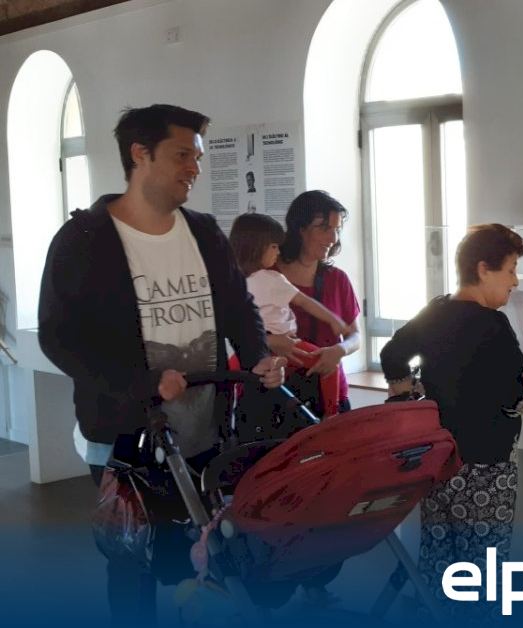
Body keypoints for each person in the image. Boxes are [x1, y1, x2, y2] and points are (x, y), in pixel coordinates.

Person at [38, 103, 285, 626]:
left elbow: (237, 308)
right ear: (140, 154)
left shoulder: (203, 232)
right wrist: (141, 383)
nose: (194, 167)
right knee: (134, 560)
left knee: (201, 550)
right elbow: (60, 338)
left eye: (197, 157)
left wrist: (259, 357)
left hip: (205, 430)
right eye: (181, 156)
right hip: (125, 436)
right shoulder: (84, 240)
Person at [379, 223, 523, 621]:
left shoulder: (436, 310)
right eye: (510, 270)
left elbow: (392, 354)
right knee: (484, 568)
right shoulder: (493, 325)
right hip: (486, 469)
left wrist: (405, 395)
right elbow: (509, 396)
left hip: (440, 462)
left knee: (439, 559)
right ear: (484, 269)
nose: (515, 281)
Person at [229, 213, 351, 418]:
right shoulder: (262, 279)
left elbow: (304, 301)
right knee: (328, 366)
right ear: (256, 246)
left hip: (270, 346)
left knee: (234, 378)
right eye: (273, 246)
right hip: (269, 345)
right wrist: (333, 319)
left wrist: (333, 319)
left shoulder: (246, 279)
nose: (278, 252)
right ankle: (331, 415)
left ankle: (330, 413)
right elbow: (304, 301)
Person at [271, 190, 361, 417]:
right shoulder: (268, 276)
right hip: (280, 396)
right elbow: (243, 333)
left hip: (331, 395)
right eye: (324, 228)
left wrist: (339, 350)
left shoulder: (337, 279)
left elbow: (355, 336)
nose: (333, 238)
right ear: (300, 228)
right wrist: (271, 342)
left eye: (336, 230)